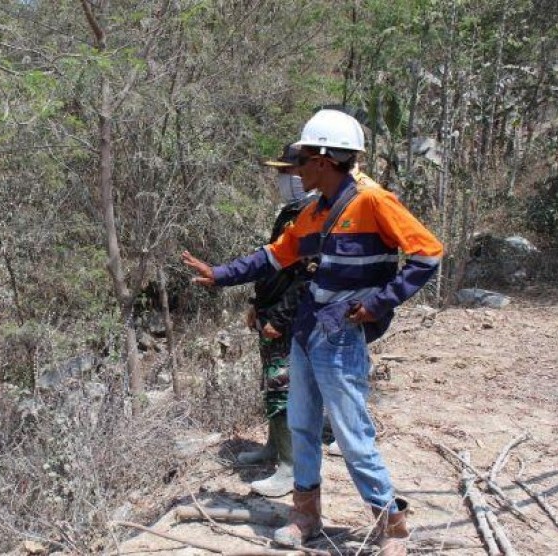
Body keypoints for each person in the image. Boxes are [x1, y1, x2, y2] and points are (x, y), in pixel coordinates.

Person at [183, 109, 443, 556]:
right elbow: (276, 255)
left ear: (323, 159)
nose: (296, 170)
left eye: (301, 160)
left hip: (340, 332)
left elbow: (428, 253)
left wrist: (379, 302)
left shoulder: (373, 201)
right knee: (302, 424)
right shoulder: (315, 210)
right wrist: (221, 274)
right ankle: (306, 516)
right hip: (308, 328)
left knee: (351, 432)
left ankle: (391, 525)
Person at [217, 143, 314, 497]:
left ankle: (289, 468)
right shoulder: (290, 212)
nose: (281, 179)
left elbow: (307, 277)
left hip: (287, 319)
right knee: (271, 385)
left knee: (283, 388)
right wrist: (257, 303)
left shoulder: (311, 214)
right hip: (270, 313)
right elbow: (272, 265)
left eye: (286, 171)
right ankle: (273, 449)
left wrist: (282, 317)